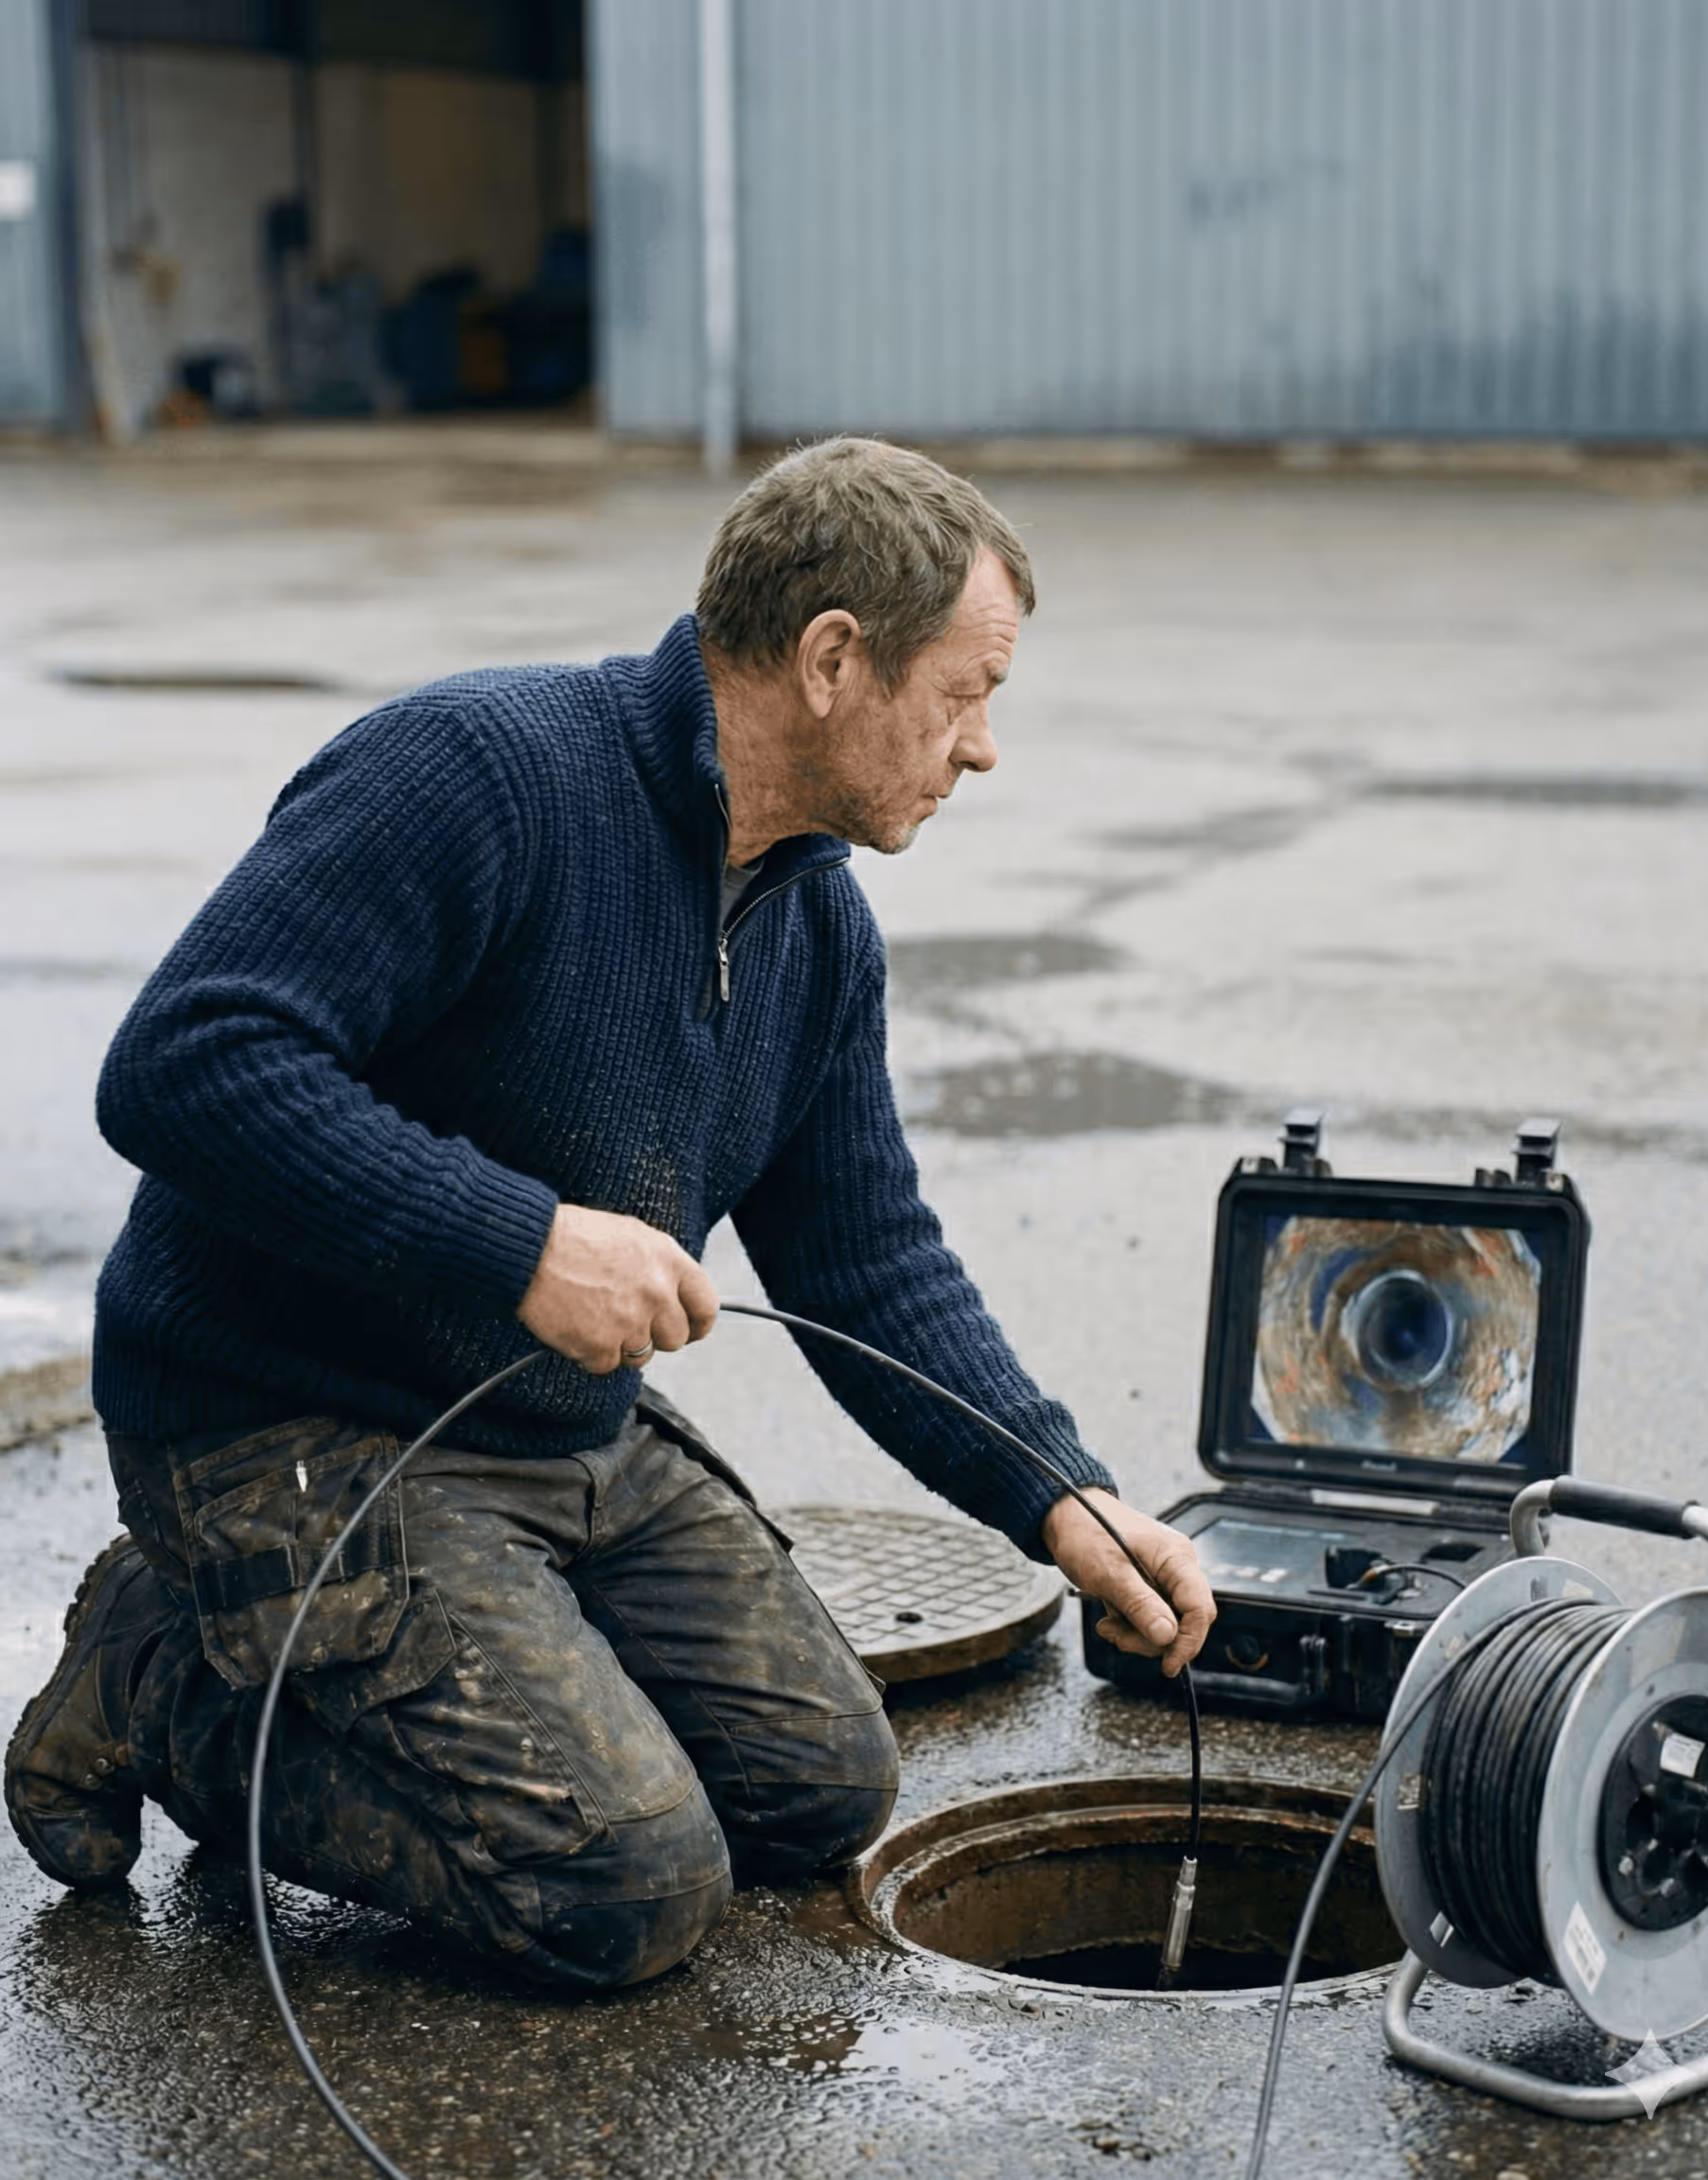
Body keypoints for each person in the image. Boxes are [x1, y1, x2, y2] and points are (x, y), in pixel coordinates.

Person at [6, 438, 1216, 1991]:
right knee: (629, 1887)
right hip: (285, 1427)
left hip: (552, 1439)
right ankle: (162, 1672)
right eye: (966, 692)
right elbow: (182, 1064)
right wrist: (517, 1243)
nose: (981, 748)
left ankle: (394, 1652)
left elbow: (868, 1255)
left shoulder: (816, 926)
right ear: (834, 660)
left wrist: (1065, 1499)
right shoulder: (480, 776)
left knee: (820, 1789)